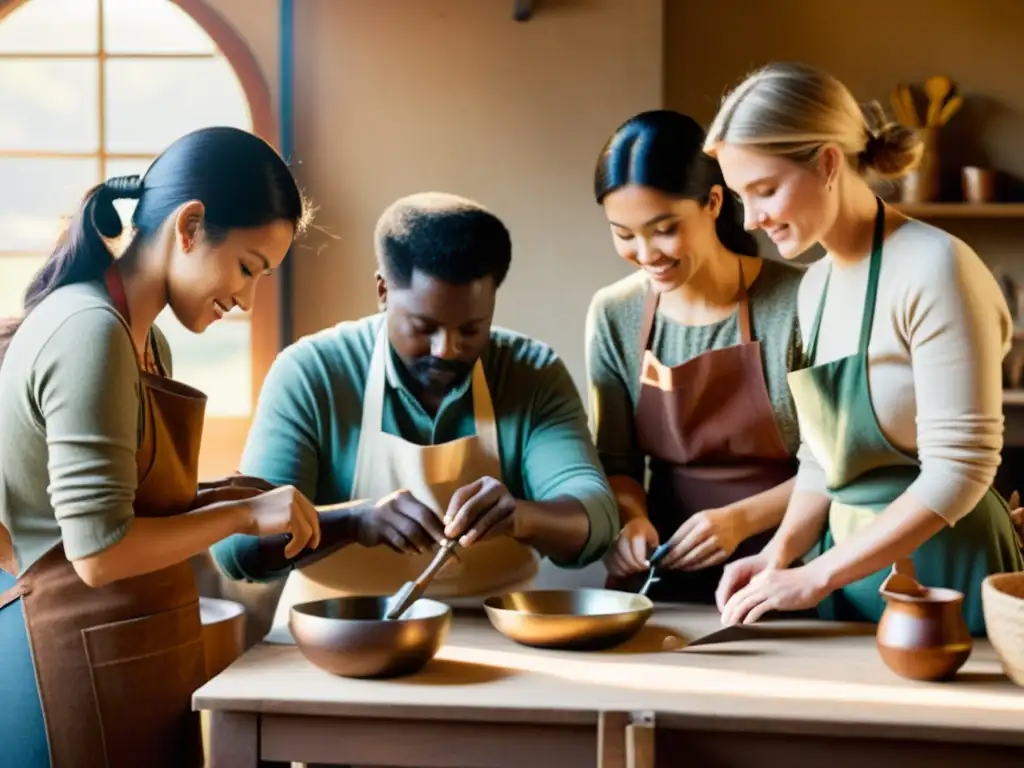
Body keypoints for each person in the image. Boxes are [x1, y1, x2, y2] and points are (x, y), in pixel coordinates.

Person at [0, 126, 322, 768]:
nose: (246, 299)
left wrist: (234, 494)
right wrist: (237, 516)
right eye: (247, 268)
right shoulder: (88, 330)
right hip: (61, 668)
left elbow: (128, 503)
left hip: (128, 655)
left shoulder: (144, 338)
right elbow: (96, 552)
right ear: (190, 225)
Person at [210, 191, 618, 643]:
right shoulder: (312, 373)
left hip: (501, 632)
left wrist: (521, 517)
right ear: (383, 290)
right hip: (334, 634)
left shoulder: (531, 373)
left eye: (471, 329)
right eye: (424, 328)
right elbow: (239, 551)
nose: (448, 350)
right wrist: (353, 522)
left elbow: (596, 520)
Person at [705, 62, 1024, 635]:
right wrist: (779, 554)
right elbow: (824, 458)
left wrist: (816, 573)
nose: (751, 219)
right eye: (739, 197)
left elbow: (961, 468)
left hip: (949, 574)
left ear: (827, 162)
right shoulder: (815, 287)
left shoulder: (936, 268)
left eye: (764, 190)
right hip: (851, 576)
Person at [586, 110, 805, 604]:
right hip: (664, 573)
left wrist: (739, 521)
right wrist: (631, 517)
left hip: (787, 566)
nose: (646, 253)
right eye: (624, 234)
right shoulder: (614, 314)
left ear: (712, 202)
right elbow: (617, 460)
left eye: (664, 229)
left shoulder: (798, 301)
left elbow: (837, 468)